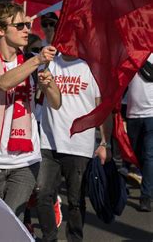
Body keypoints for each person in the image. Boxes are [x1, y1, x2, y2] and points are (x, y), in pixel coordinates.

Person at [0, 2, 61, 217]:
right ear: (1, 30)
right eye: (20, 25)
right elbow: (2, 83)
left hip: (26, 160)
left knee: (12, 221)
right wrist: (38, 59)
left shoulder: (33, 63)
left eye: (28, 25)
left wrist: (49, 84)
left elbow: (56, 103)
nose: (27, 30)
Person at [36, 49, 112, 241]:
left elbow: (102, 108)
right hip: (49, 142)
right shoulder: (50, 64)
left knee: (75, 201)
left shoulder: (91, 68)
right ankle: (49, 237)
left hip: (79, 144)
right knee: (42, 193)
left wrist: (105, 142)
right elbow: (38, 94)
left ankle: (75, 238)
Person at [126, 53, 153, 212]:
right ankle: (145, 179)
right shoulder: (131, 53)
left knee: (149, 155)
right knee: (137, 154)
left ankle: (146, 196)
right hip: (133, 113)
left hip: (151, 114)